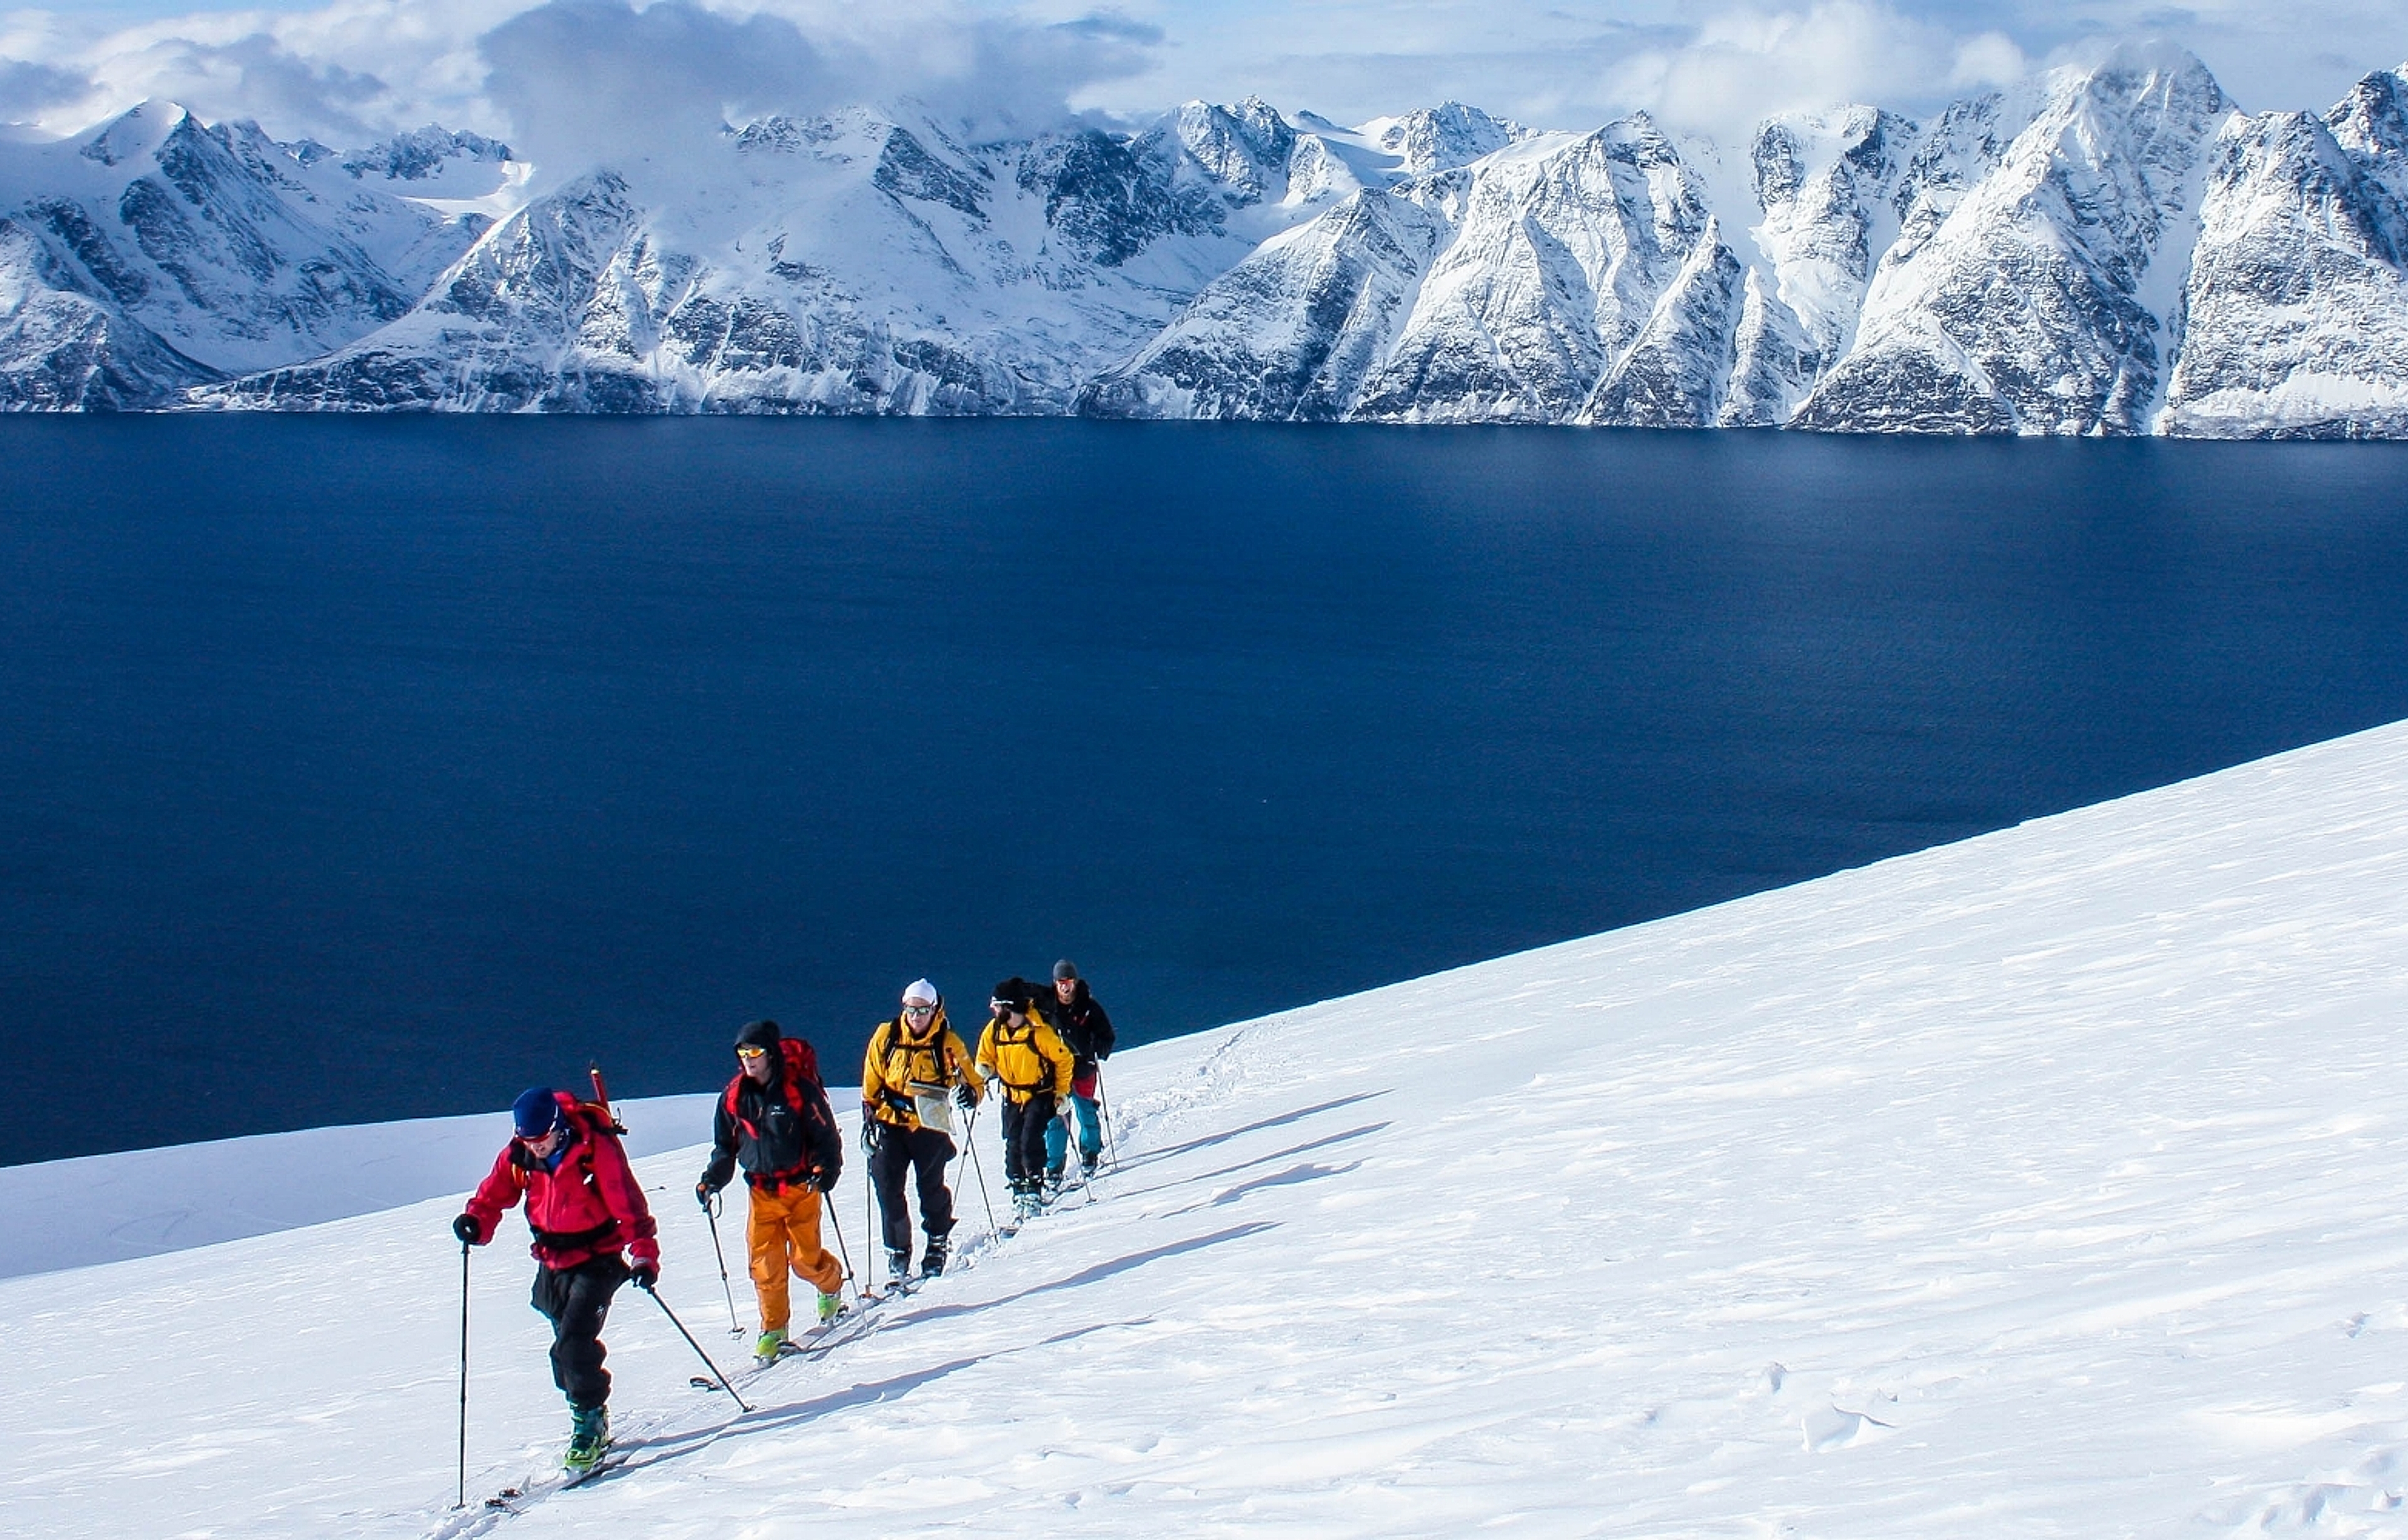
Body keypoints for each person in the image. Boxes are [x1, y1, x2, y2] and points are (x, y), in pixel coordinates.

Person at [454, 1085, 660, 1472]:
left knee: (574, 1343)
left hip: (598, 1259)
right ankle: (588, 1407)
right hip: (551, 1261)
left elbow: (627, 1201)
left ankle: (589, 1425)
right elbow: (494, 1193)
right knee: (563, 1348)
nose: (536, 1147)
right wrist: (476, 1222)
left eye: (541, 1138)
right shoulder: (521, 1153)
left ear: (557, 1126)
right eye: (528, 1140)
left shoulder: (593, 1148)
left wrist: (644, 1254)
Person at [695, 1019, 846, 1364]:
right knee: (765, 1264)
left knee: (804, 1260)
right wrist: (712, 1180)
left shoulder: (799, 1091)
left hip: (800, 1188)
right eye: (743, 1052)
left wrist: (827, 1169)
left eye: (756, 1052)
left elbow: (825, 1136)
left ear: (771, 1054)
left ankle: (831, 1283)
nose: (749, 1059)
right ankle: (774, 1330)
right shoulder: (734, 1097)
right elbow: (725, 1147)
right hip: (761, 1194)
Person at [862, 978, 981, 1280]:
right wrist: (869, 1115)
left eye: (923, 1010)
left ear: (934, 1009)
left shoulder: (948, 1042)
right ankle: (898, 1250)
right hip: (890, 1121)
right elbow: (873, 1076)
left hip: (930, 1124)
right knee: (888, 1186)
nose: (916, 1017)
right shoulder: (887, 1036)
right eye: (911, 1009)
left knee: (930, 1187)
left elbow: (972, 1079)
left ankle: (937, 1242)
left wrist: (971, 1093)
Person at [973, 977, 1074, 1221]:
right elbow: (985, 1057)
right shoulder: (994, 1030)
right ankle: (1019, 1188)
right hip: (1011, 1095)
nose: (993, 1009)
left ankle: (1034, 1189)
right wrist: (983, 1072)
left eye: (997, 1005)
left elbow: (1064, 1060)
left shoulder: (1039, 1032)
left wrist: (1060, 1093)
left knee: (1030, 1140)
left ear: (1010, 1007)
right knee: (1013, 1142)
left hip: (1038, 1095)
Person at [1039, 959, 1116, 1193]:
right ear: (1055, 983)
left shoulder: (1089, 1007)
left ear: (1075, 982)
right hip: (1056, 1071)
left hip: (1083, 1068)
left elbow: (1107, 1035)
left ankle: (1091, 1152)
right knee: (1056, 1119)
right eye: (1061, 982)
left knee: (1085, 1111)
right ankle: (1054, 1167)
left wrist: (1097, 1049)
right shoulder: (1047, 1009)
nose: (1065, 987)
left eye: (1069, 981)